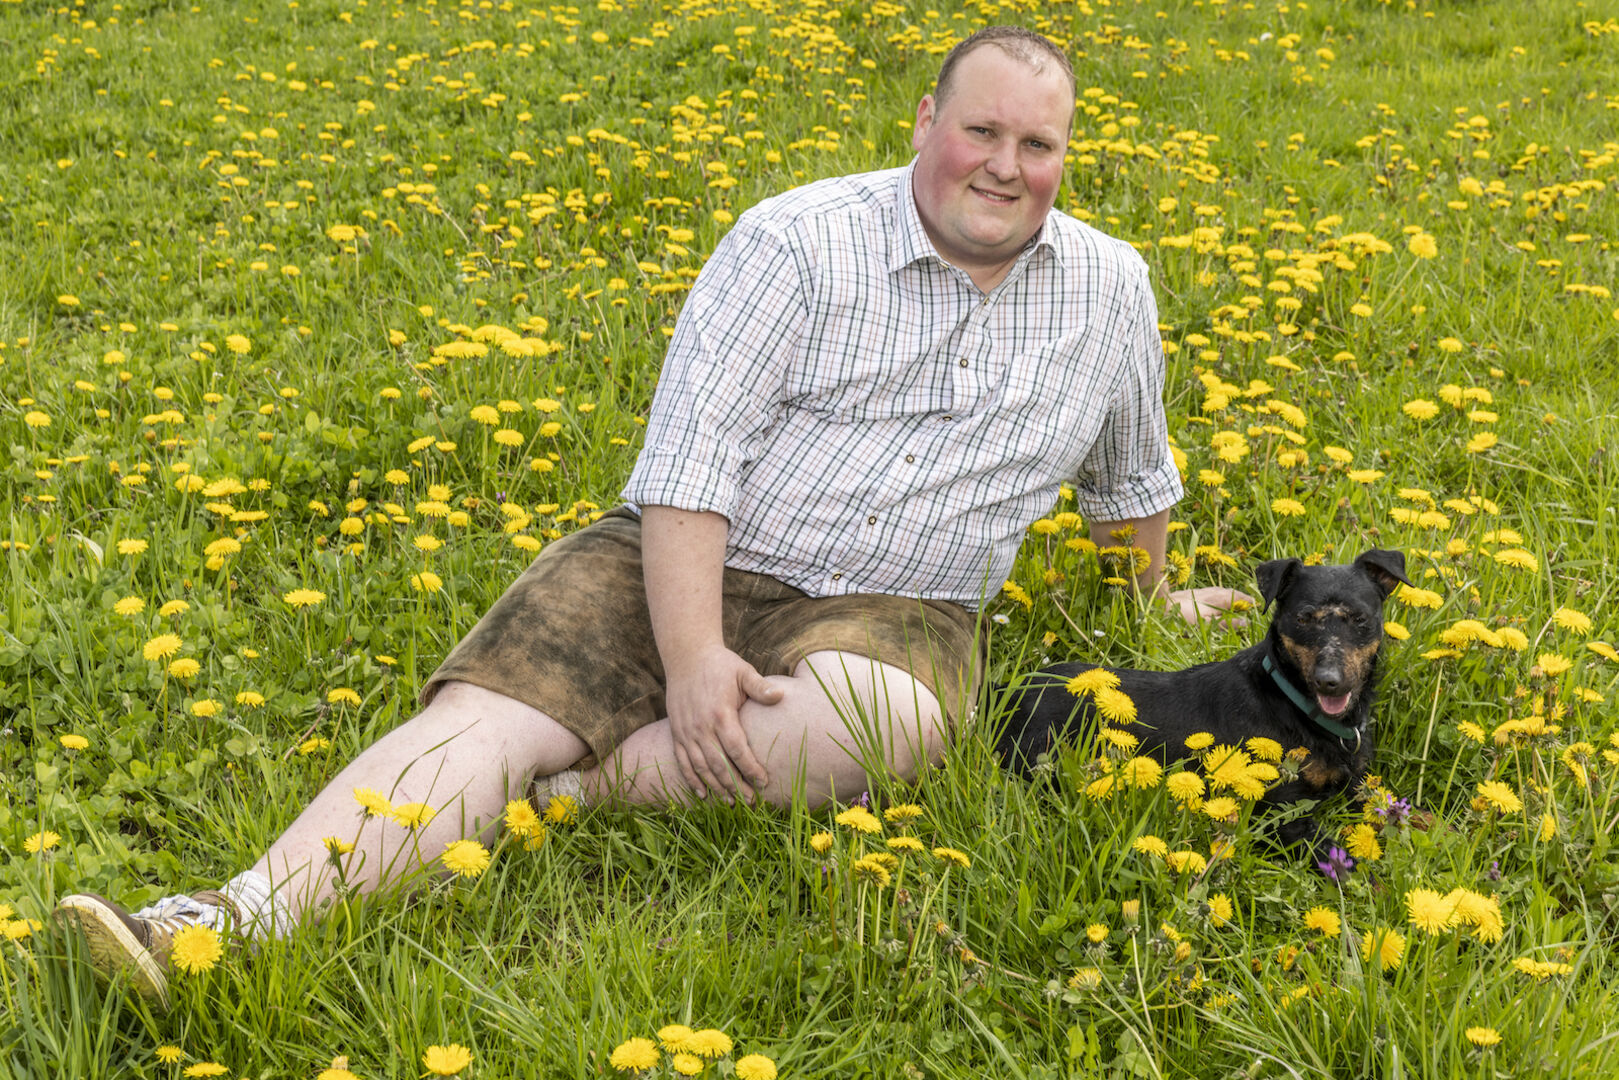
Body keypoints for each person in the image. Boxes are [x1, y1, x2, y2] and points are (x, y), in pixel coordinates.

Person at [56, 25, 1242, 1007]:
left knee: (887, 724)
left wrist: (1145, 590)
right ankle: (219, 925)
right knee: (494, 715)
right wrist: (691, 659)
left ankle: (567, 799)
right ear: (923, 127)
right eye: (979, 130)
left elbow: (1128, 471)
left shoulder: (1109, 288)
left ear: (1063, 156)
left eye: (1035, 144)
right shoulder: (794, 240)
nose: (1003, 164)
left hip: (895, 605)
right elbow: (689, 464)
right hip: (680, 555)